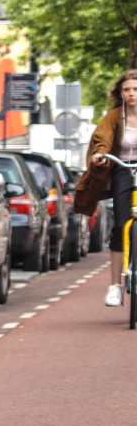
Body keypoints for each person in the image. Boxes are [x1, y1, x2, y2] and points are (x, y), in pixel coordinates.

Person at [76, 69, 137, 306]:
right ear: (120, 93)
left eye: (135, 89)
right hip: (124, 168)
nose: (131, 94)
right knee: (121, 225)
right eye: (127, 90)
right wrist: (100, 154)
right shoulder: (114, 117)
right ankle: (115, 286)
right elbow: (102, 138)